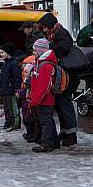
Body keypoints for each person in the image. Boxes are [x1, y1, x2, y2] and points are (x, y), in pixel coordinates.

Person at [38, 12, 79, 147]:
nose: (44, 30)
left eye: (44, 27)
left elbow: (62, 49)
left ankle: (71, 134)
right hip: (61, 75)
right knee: (60, 105)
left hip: (66, 77)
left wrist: (49, 50)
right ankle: (65, 131)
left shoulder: (61, 34)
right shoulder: (54, 35)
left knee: (64, 104)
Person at [29, 46, 59, 153]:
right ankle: (54, 141)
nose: (33, 52)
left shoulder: (45, 66)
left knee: (45, 121)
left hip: (45, 100)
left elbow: (44, 86)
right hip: (43, 99)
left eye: (35, 50)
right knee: (48, 120)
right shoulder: (41, 63)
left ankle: (47, 143)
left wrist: (35, 100)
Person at [0, 43, 22, 131]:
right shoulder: (5, 64)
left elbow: (17, 77)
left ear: (8, 53)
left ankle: (15, 124)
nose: (1, 54)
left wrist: (16, 89)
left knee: (13, 108)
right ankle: (8, 122)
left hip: (11, 90)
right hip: (5, 90)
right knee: (7, 107)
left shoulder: (13, 64)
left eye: (2, 52)